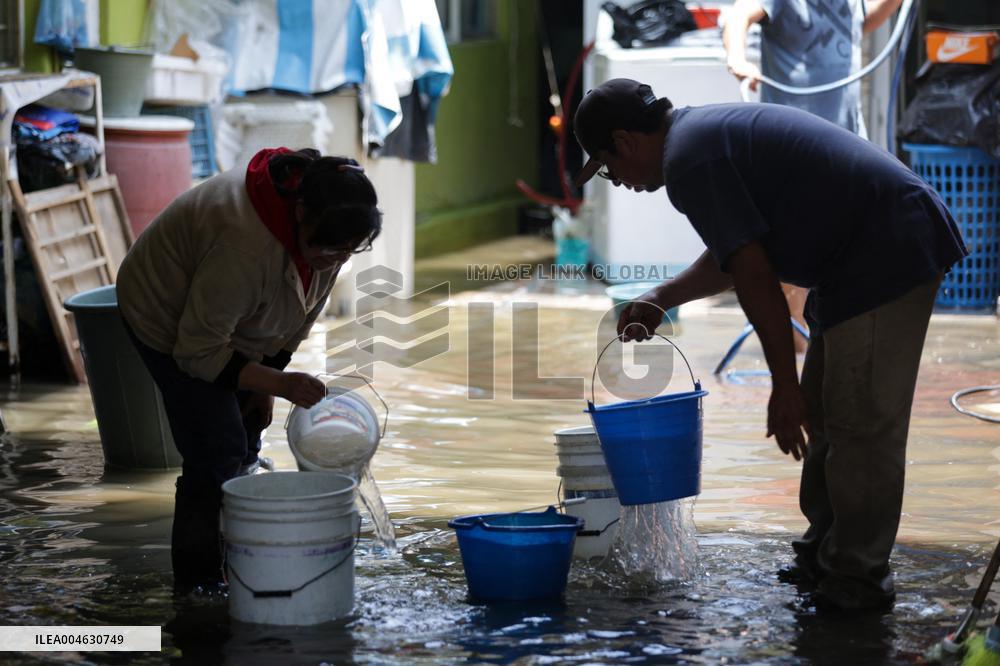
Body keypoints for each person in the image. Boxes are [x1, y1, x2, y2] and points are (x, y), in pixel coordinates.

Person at [573, 78, 966, 611]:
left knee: (861, 427)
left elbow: (755, 275)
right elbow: (736, 252)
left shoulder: (690, 158)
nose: (614, 181)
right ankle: (823, 559)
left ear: (624, 141)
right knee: (831, 416)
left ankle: (856, 583)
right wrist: (664, 296)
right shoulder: (696, 141)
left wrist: (784, 386)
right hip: (851, 261)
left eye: (605, 167)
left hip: (889, 246)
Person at [116, 148, 382, 592]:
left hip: (227, 320)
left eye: (345, 252)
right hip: (165, 314)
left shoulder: (330, 229)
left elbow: (300, 315)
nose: (333, 260)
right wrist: (278, 382)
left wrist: (265, 387)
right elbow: (196, 351)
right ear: (300, 213)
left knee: (247, 428)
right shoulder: (242, 244)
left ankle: (239, 555)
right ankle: (198, 588)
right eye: (325, 250)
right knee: (216, 448)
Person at [723, 0, 904, 349]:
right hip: (792, 147)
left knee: (844, 242)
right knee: (794, 250)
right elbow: (739, 14)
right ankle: (796, 350)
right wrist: (738, 58)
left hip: (846, 140)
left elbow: (862, 23)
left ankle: (824, 343)